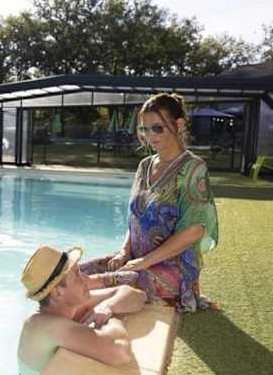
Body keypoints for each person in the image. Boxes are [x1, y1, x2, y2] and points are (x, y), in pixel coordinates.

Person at [80, 93, 219, 313]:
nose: (150, 135)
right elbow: (136, 218)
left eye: (157, 128)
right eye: (145, 129)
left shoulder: (193, 168)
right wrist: (124, 252)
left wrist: (144, 262)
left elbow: (194, 231)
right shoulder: (144, 166)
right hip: (136, 261)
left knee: (97, 284)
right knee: (77, 274)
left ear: (179, 125)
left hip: (173, 269)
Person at [14, 245, 146, 375]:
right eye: (77, 274)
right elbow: (120, 351)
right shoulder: (45, 326)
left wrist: (108, 307)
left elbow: (136, 295)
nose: (86, 278)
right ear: (57, 292)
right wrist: (110, 318)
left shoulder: (68, 307)